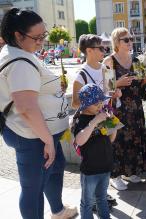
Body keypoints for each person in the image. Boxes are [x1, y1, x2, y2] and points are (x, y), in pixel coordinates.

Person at [0, 8, 77, 218]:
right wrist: (48, 141)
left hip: (39, 133)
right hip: (33, 136)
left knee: (55, 169)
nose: (43, 40)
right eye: (38, 37)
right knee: (33, 189)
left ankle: (57, 210)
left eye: (44, 35)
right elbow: (26, 107)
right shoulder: (19, 63)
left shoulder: (22, 52)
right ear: (18, 35)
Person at [103, 27, 146, 190]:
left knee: (134, 139)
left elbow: (145, 86)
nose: (131, 42)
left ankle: (131, 171)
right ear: (117, 42)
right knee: (117, 141)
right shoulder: (109, 61)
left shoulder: (137, 61)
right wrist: (117, 83)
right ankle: (114, 175)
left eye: (131, 39)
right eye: (127, 40)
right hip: (118, 109)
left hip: (135, 109)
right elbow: (103, 89)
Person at [73, 84, 117, 219]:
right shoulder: (80, 120)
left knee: (102, 199)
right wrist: (94, 122)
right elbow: (79, 141)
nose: (100, 106)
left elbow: (111, 140)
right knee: (87, 203)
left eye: (101, 102)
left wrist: (113, 125)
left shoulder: (101, 115)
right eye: (96, 103)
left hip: (106, 166)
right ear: (86, 104)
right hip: (90, 170)